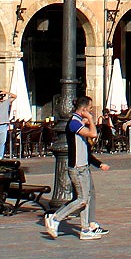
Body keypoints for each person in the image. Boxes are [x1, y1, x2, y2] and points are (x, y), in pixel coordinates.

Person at [44, 96, 109, 240]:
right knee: (81, 199)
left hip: (83, 166)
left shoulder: (78, 121)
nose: (91, 110)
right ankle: (55, 218)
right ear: (84, 109)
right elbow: (93, 134)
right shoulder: (74, 123)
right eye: (90, 108)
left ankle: (85, 229)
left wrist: (86, 120)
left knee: (87, 198)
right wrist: (90, 119)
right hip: (77, 168)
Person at [0, 89, 16, 159]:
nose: (0, 97)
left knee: (2, 142)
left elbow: (15, 96)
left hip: (4, 125)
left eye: (2, 96)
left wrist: (6, 92)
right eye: (0, 96)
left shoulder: (6, 102)